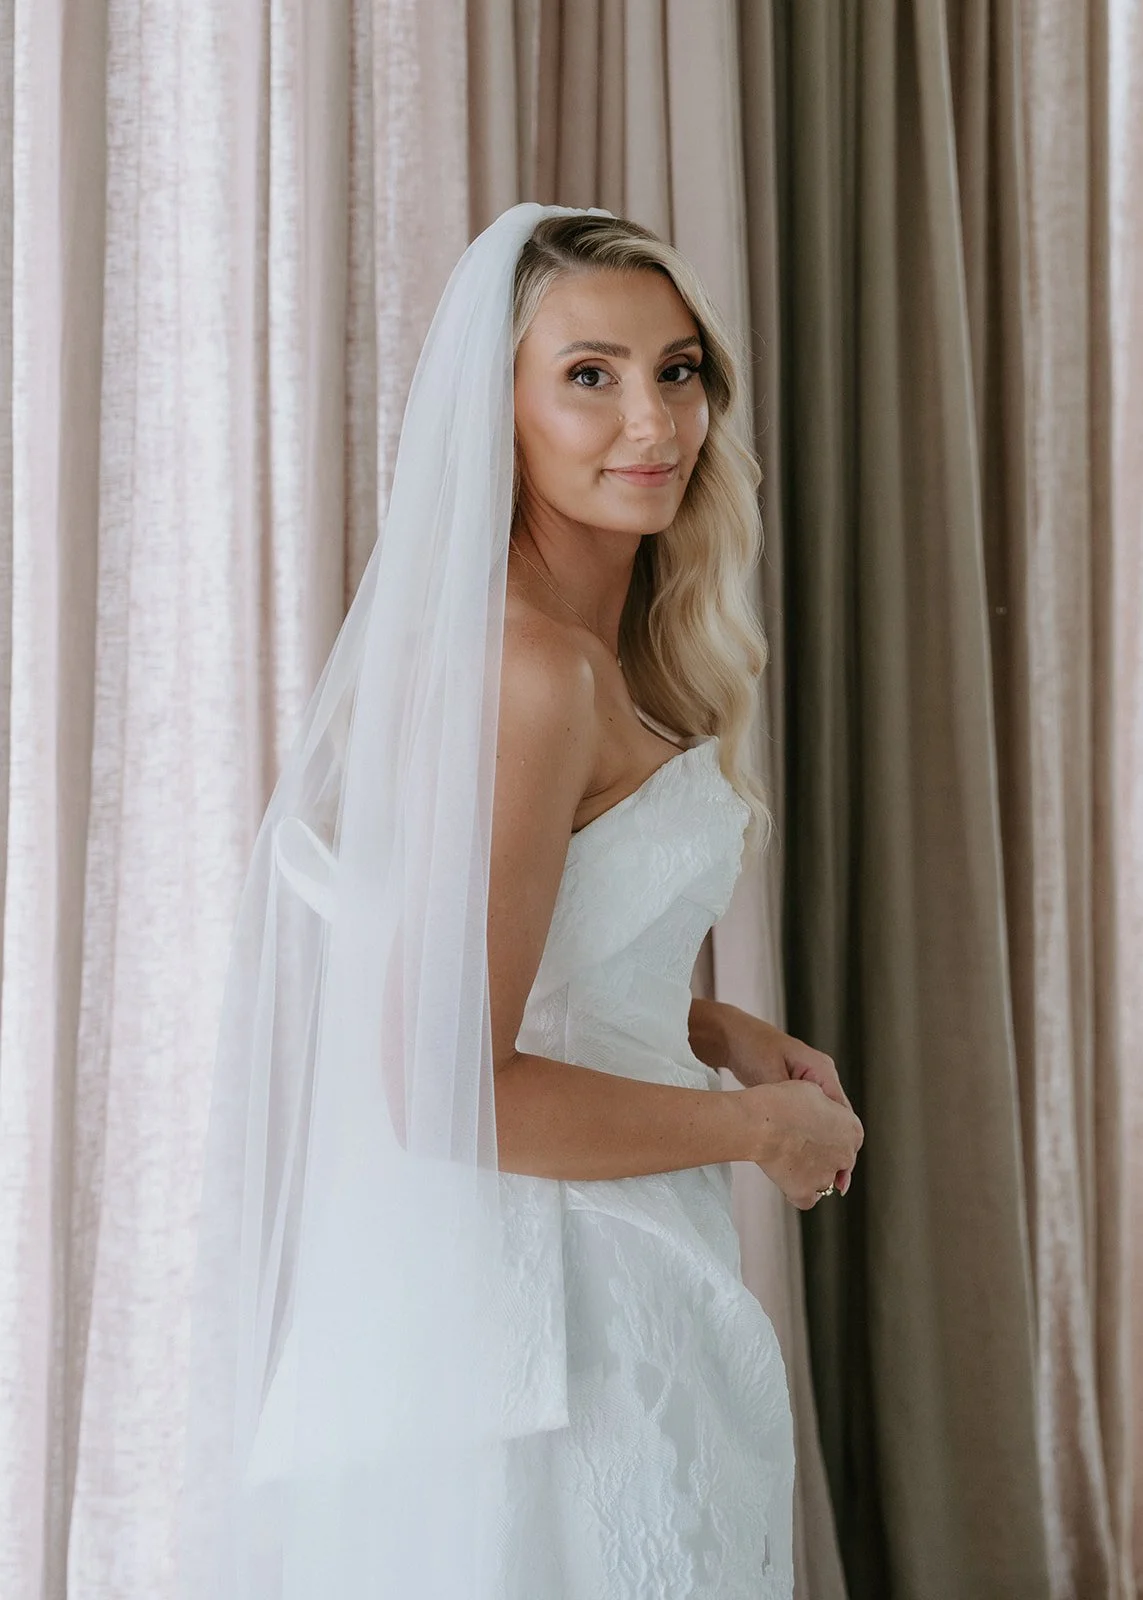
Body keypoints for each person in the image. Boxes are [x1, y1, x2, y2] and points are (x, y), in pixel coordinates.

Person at [176, 203, 863, 1600]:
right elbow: (443, 1087)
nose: (651, 423)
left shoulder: (576, 656)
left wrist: (714, 1025)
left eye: (676, 370)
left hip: (607, 1273)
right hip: (551, 1317)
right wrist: (759, 1133)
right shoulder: (526, 674)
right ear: (497, 411)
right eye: (587, 376)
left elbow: (511, 958)